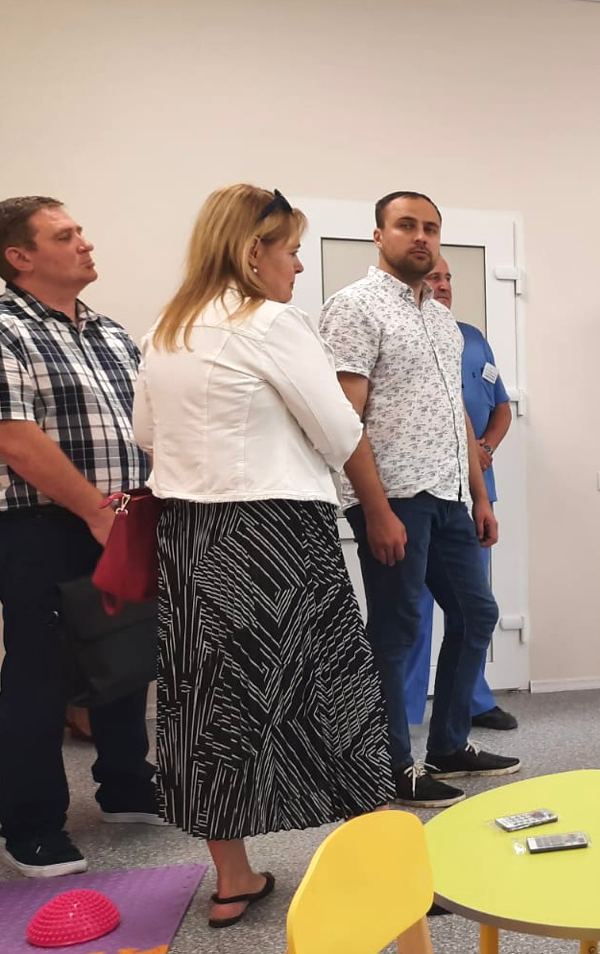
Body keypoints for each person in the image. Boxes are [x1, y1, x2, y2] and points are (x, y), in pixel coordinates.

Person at [135, 184, 393, 927]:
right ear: (255, 253)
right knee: (334, 688)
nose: (299, 267)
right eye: (290, 251)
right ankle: (375, 867)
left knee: (208, 703)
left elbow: (149, 435)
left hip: (190, 537)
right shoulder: (269, 322)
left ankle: (234, 880)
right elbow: (341, 430)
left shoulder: (165, 329)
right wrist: (373, 507)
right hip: (275, 534)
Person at [320, 191, 520, 810]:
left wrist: (479, 495)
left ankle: (451, 744)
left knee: (477, 614)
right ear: (378, 235)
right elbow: (343, 417)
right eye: (407, 225)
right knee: (400, 627)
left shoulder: (438, 316)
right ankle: (392, 766)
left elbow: (456, 413)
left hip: (449, 495)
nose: (421, 237)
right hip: (394, 497)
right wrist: (373, 509)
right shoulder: (353, 308)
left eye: (431, 228)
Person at [0, 196, 159, 878]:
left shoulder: (110, 332)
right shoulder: (6, 328)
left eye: (81, 232)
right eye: (66, 236)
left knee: (124, 654)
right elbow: (13, 436)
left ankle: (126, 787)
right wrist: (95, 510)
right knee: (40, 675)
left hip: (123, 516)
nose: (85, 244)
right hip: (44, 524)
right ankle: (30, 825)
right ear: (20, 257)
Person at [403, 256, 518, 731]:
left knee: (472, 608)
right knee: (414, 610)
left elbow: (501, 408)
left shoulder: (471, 339)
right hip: (420, 490)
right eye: (434, 276)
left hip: (474, 494)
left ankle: (473, 700)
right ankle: (407, 712)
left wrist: (485, 447)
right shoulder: (407, 337)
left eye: (449, 276)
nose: (443, 284)